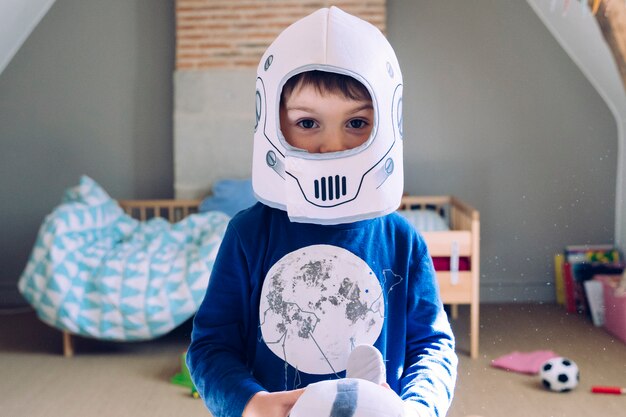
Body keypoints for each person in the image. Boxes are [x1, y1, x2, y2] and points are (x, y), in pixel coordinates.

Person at [187, 7, 457, 417]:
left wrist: (419, 407)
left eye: (356, 123)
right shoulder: (247, 234)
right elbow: (210, 345)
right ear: (273, 121)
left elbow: (432, 347)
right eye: (308, 123)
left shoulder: (403, 242)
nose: (332, 147)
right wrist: (250, 403)